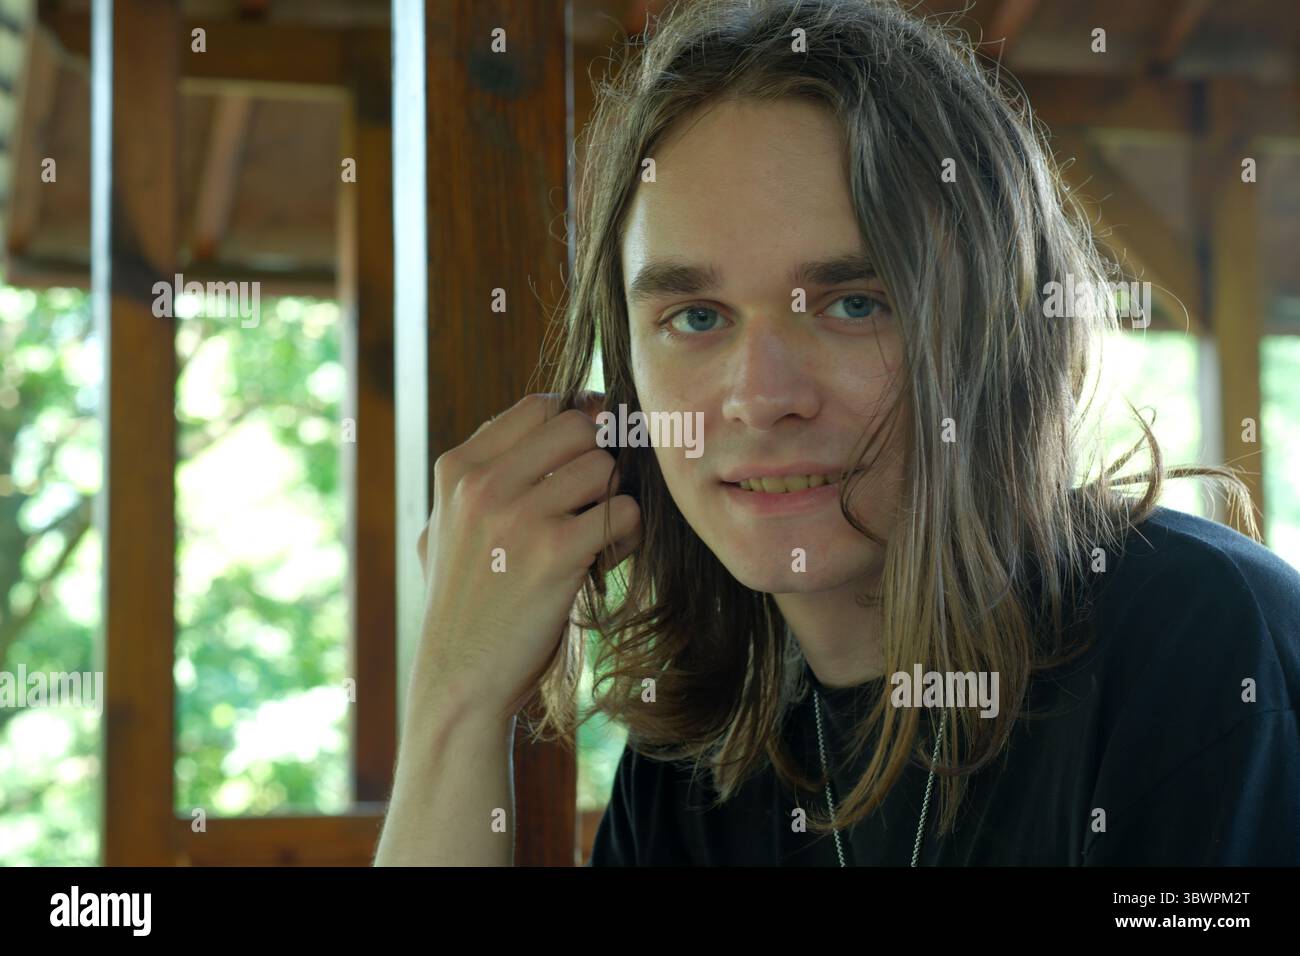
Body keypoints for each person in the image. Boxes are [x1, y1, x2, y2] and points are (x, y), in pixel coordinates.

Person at [374, 0, 1300, 867]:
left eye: (854, 304)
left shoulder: (1196, 637)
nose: (761, 397)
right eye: (696, 317)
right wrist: (456, 703)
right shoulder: (702, 766)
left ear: (1000, 336)